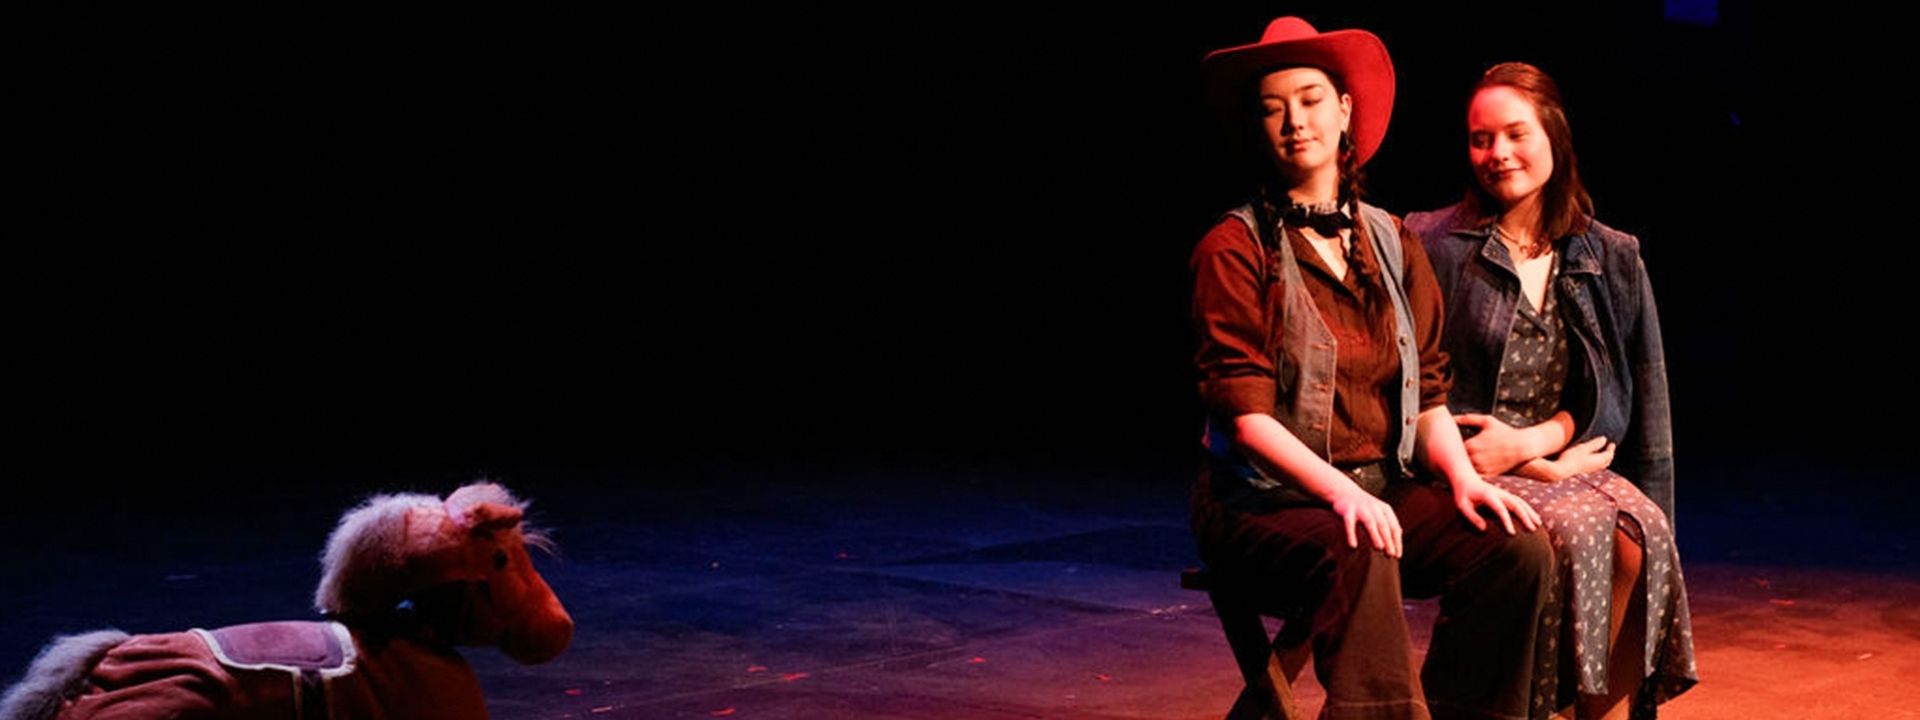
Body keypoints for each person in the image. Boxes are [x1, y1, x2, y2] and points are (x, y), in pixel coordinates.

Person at [1190, 18, 1556, 720]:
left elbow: (1428, 398)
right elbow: (1246, 415)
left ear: (1345, 110)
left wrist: (1463, 479)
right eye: (1273, 109)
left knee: (1514, 547)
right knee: (1362, 544)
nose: (1295, 122)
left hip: (1378, 484)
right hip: (1262, 503)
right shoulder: (1234, 249)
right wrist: (1341, 494)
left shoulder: (1392, 241)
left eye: (1310, 99)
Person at [1405, 62, 1697, 719]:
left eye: (1516, 133)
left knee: (1643, 535)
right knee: (1575, 526)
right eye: (1481, 138)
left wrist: (1547, 442)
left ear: (1555, 137)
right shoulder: (1433, 243)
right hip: (1470, 466)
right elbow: (1420, 391)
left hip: (1567, 464)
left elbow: (1637, 403)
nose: (1498, 153)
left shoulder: (1609, 256)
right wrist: (1531, 461)